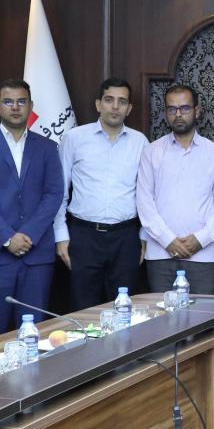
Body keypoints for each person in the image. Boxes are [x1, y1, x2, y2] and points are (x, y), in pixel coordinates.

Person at [0, 79, 64, 336]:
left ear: (31, 106)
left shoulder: (48, 147)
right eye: (8, 102)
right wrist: (8, 238)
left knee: (32, 335)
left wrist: (28, 234)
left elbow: (54, 194)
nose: (15, 107)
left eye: (21, 101)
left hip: (36, 256)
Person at [53, 78, 148, 311]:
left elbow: (147, 194)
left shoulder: (140, 142)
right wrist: (61, 236)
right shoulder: (74, 138)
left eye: (122, 101)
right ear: (98, 104)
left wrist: (144, 236)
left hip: (125, 237)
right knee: (83, 309)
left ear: (129, 108)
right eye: (109, 100)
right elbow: (59, 191)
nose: (115, 107)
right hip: (83, 236)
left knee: (124, 311)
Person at [138, 84, 214, 296]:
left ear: (197, 111)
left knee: (204, 315)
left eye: (185, 108)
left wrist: (200, 240)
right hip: (161, 254)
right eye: (172, 109)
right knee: (162, 315)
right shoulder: (151, 152)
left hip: (203, 255)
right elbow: (144, 203)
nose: (178, 114)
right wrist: (168, 241)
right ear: (166, 113)